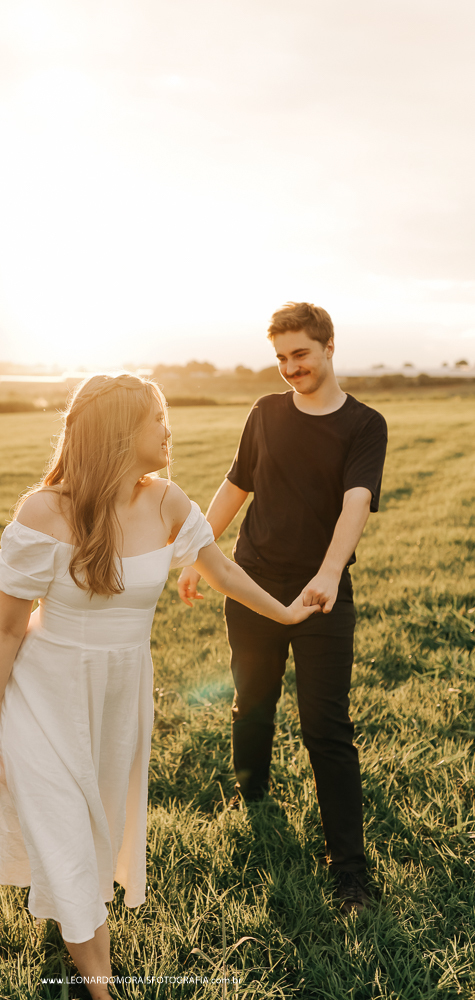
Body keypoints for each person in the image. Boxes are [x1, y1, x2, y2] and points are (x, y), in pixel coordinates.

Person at [0, 372, 320, 999]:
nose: (167, 427)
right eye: (157, 418)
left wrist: (288, 613)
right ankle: (101, 990)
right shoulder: (43, 511)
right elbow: (6, 632)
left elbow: (223, 573)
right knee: (68, 839)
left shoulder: (167, 502)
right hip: (43, 699)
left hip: (118, 699)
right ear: (121, 432)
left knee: (97, 837)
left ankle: (83, 960)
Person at [179, 303, 388, 915]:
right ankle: (253, 793)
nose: (289, 369)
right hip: (251, 588)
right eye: (280, 358)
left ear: (328, 347)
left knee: (328, 731)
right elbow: (236, 484)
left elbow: (357, 502)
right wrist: (201, 551)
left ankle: (351, 873)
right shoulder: (266, 413)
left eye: (300, 354)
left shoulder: (363, 424)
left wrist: (327, 574)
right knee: (253, 702)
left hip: (324, 598)